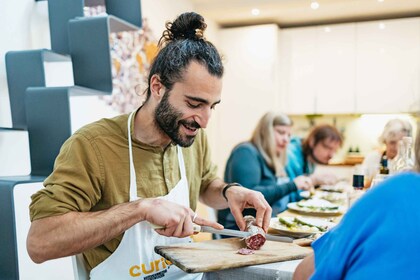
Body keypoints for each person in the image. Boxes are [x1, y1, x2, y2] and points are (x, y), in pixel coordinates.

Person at [26, 12, 271, 280]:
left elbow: (203, 183)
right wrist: (140, 209)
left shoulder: (190, 135)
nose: (204, 121)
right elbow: (40, 242)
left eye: (211, 106)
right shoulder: (92, 146)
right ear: (157, 87)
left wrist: (228, 191)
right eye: (193, 104)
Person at [293, 127, 420, 279]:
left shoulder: (396, 189)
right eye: (392, 142)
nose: (395, 147)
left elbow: (302, 273)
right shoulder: (296, 156)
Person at [218, 112, 313, 230]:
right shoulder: (245, 152)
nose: (286, 139)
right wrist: (293, 185)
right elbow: (251, 196)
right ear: (265, 131)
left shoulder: (270, 157)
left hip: (261, 227)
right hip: (239, 230)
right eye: (281, 132)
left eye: (289, 135)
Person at [285, 124, 343, 201]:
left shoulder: (310, 158)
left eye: (335, 150)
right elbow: (291, 196)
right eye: (327, 147)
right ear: (312, 141)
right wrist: (314, 180)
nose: (331, 155)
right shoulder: (291, 155)